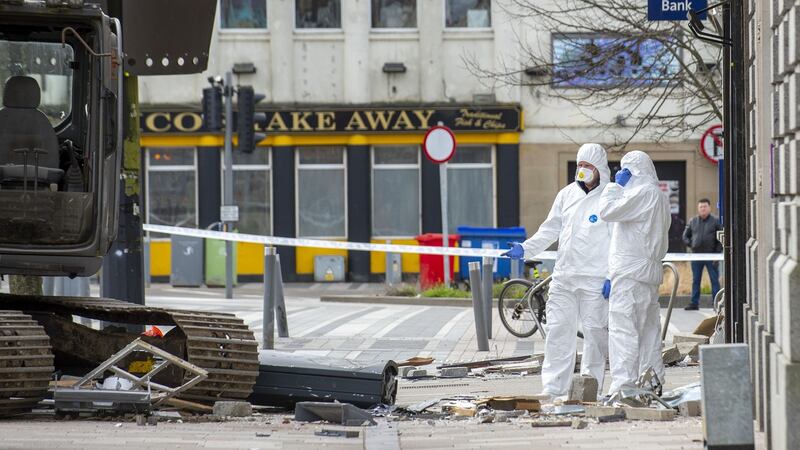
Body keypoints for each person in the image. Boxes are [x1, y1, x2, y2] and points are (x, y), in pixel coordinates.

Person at [502, 143, 612, 400]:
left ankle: (589, 387)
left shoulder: (610, 197)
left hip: (595, 280)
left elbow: (618, 240)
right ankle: (553, 388)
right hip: (564, 277)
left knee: (595, 334)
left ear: (599, 169)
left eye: (588, 166)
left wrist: (611, 275)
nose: (582, 170)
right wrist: (526, 248)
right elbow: (550, 229)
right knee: (558, 332)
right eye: (580, 165)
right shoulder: (566, 195)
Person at [598, 150, 670, 395]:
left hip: (630, 273)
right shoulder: (659, 197)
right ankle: (652, 383)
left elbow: (606, 211)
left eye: (625, 169)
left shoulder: (642, 193)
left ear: (633, 171)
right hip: (647, 272)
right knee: (649, 331)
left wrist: (614, 187)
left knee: (623, 330)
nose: (621, 173)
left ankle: (625, 387)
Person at [682, 198, 722, 310]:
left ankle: (717, 304)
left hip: (712, 256)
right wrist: (691, 245)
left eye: (705, 207)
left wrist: (717, 253)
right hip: (696, 256)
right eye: (700, 207)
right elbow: (685, 236)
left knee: (714, 280)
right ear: (698, 208)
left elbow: (721, 238)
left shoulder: (715, 221)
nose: (702, 209)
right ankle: (694, 303)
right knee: (696, 280)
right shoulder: (693, 221)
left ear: (709, 208)